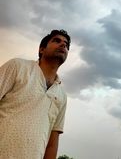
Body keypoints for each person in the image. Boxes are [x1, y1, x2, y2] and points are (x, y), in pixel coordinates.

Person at [0, 29, 71, 159]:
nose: (63, 45)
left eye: (66, 44)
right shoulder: (17, 67)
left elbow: (52, 143)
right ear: (42, 49)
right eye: (57, 41)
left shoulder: (61, 95)